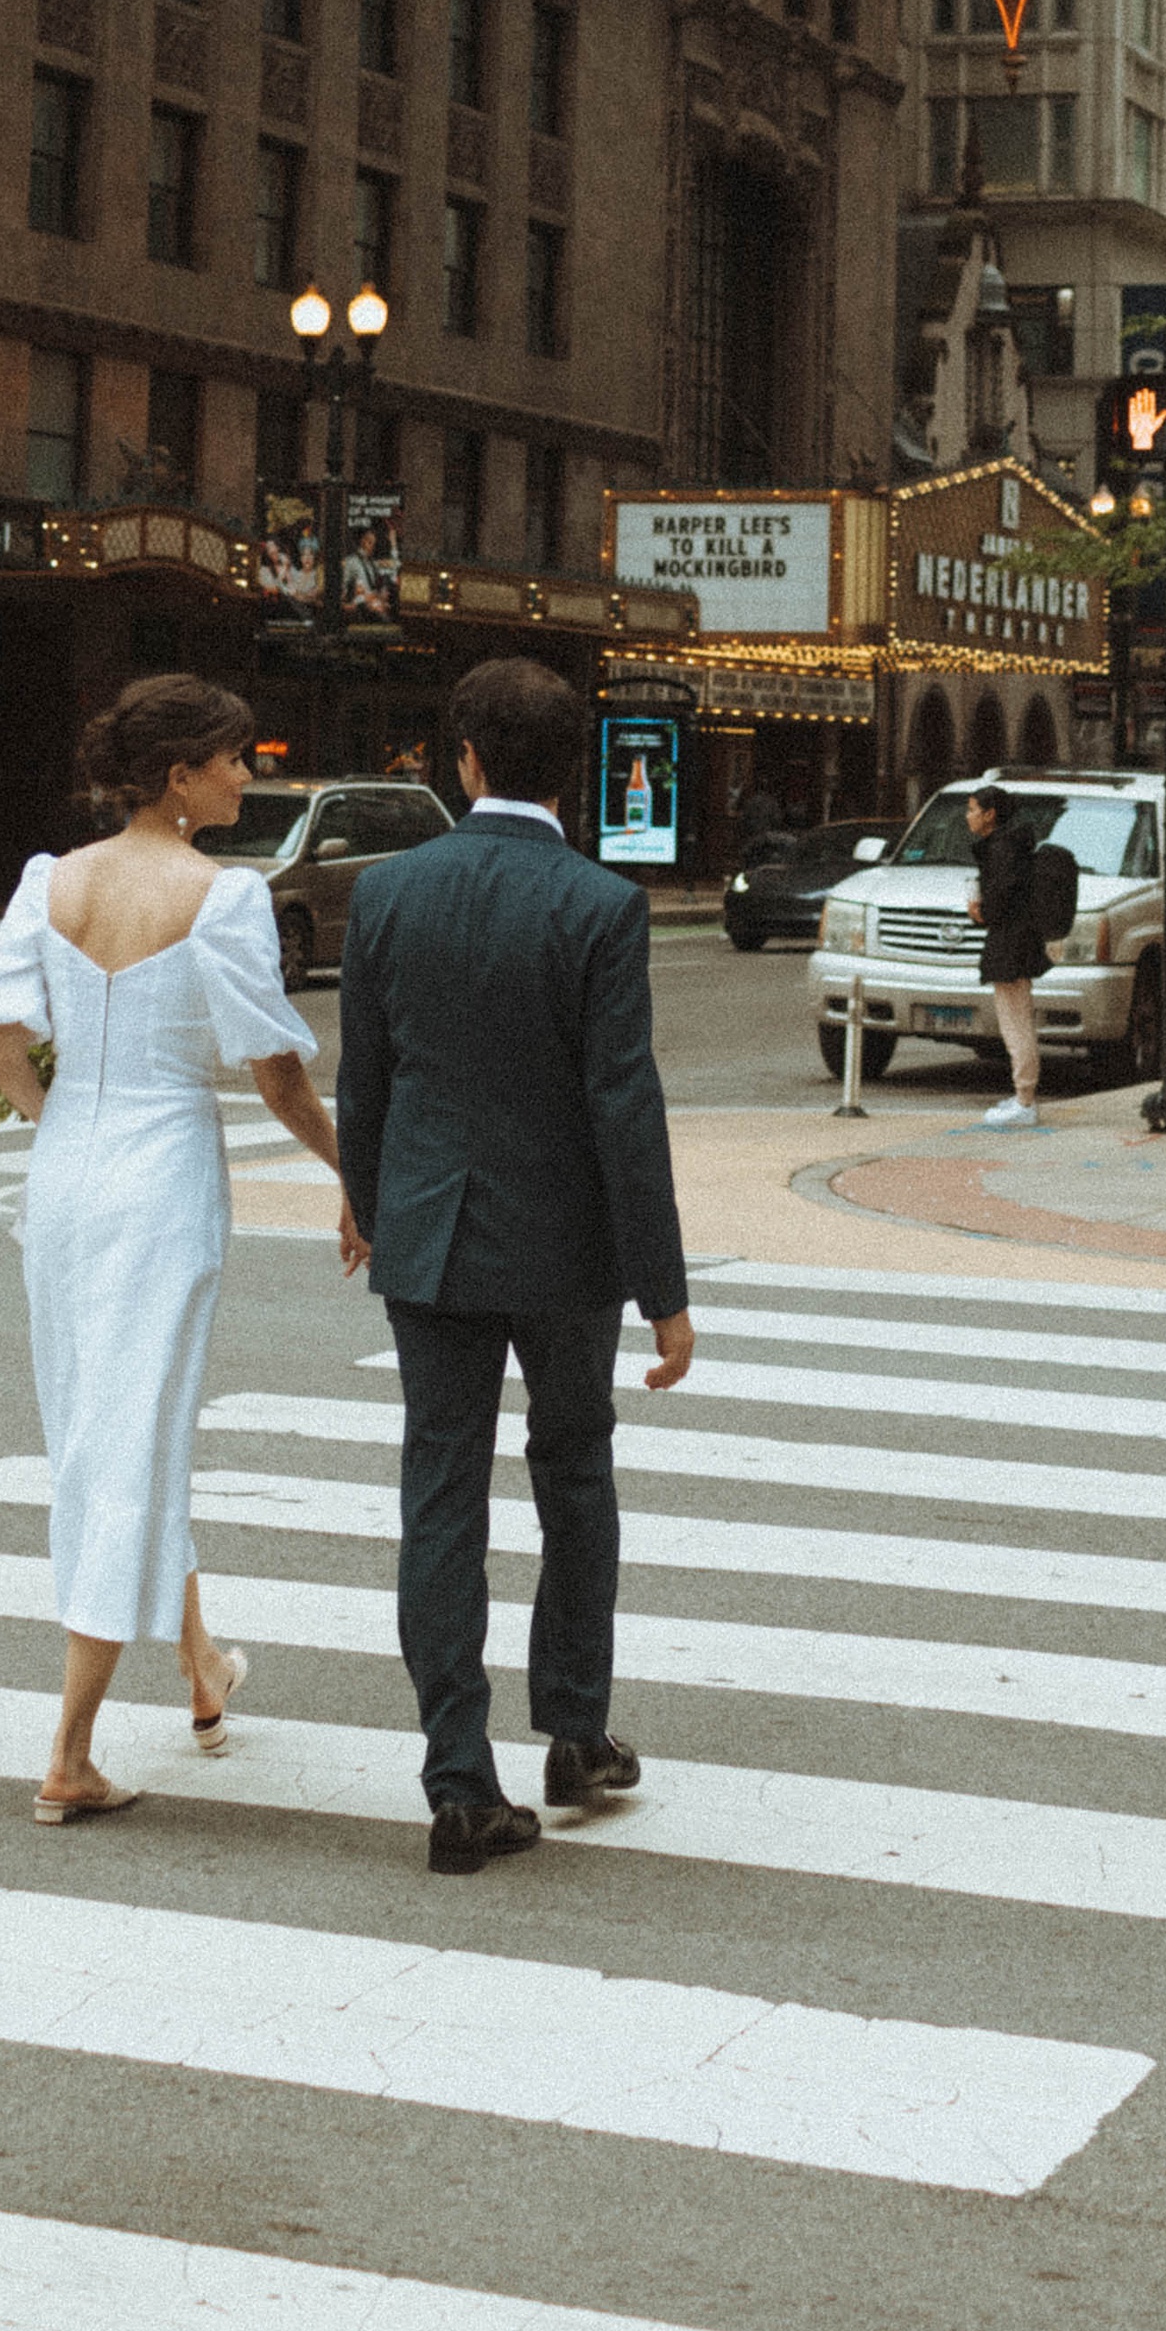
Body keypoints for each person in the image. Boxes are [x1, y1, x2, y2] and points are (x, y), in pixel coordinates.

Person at [335, 653, 692, 1877]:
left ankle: (456, 1776)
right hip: (567, 1247)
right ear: (575, 768)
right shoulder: (601, 906)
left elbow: (365, 1082)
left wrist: (364, 1202)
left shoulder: (387, 894)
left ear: (465, 759)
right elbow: (623, 1109)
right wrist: (667, 1292)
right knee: (574, 1474)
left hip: (428, 1233)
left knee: (439, 1496)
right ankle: (576, 1731)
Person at [0, 673, 348, 1819]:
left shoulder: (53, 880)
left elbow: (4, 1047)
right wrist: (355, 1173)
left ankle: (200, 1668)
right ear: (181, 775)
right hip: (164, 1179)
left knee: (104, 1420)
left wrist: (67, 1133)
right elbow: (277, 1072)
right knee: (129, 1439)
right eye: (234, 757)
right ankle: (70, 1755)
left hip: (68, 1178)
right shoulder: (223, 897)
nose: (250, 773)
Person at [966, 781, 1072, 1130]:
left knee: (1016, 1023)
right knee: (1017, 1018)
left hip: (1010, 944)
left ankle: (1025, 1099)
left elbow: (999, 904)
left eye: (972, 810)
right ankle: (1021, 1095)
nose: (968, 817)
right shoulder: (1010, 846)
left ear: (990, 815)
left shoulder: (1002, 851)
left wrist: (980, 911)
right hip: (1017, 943)